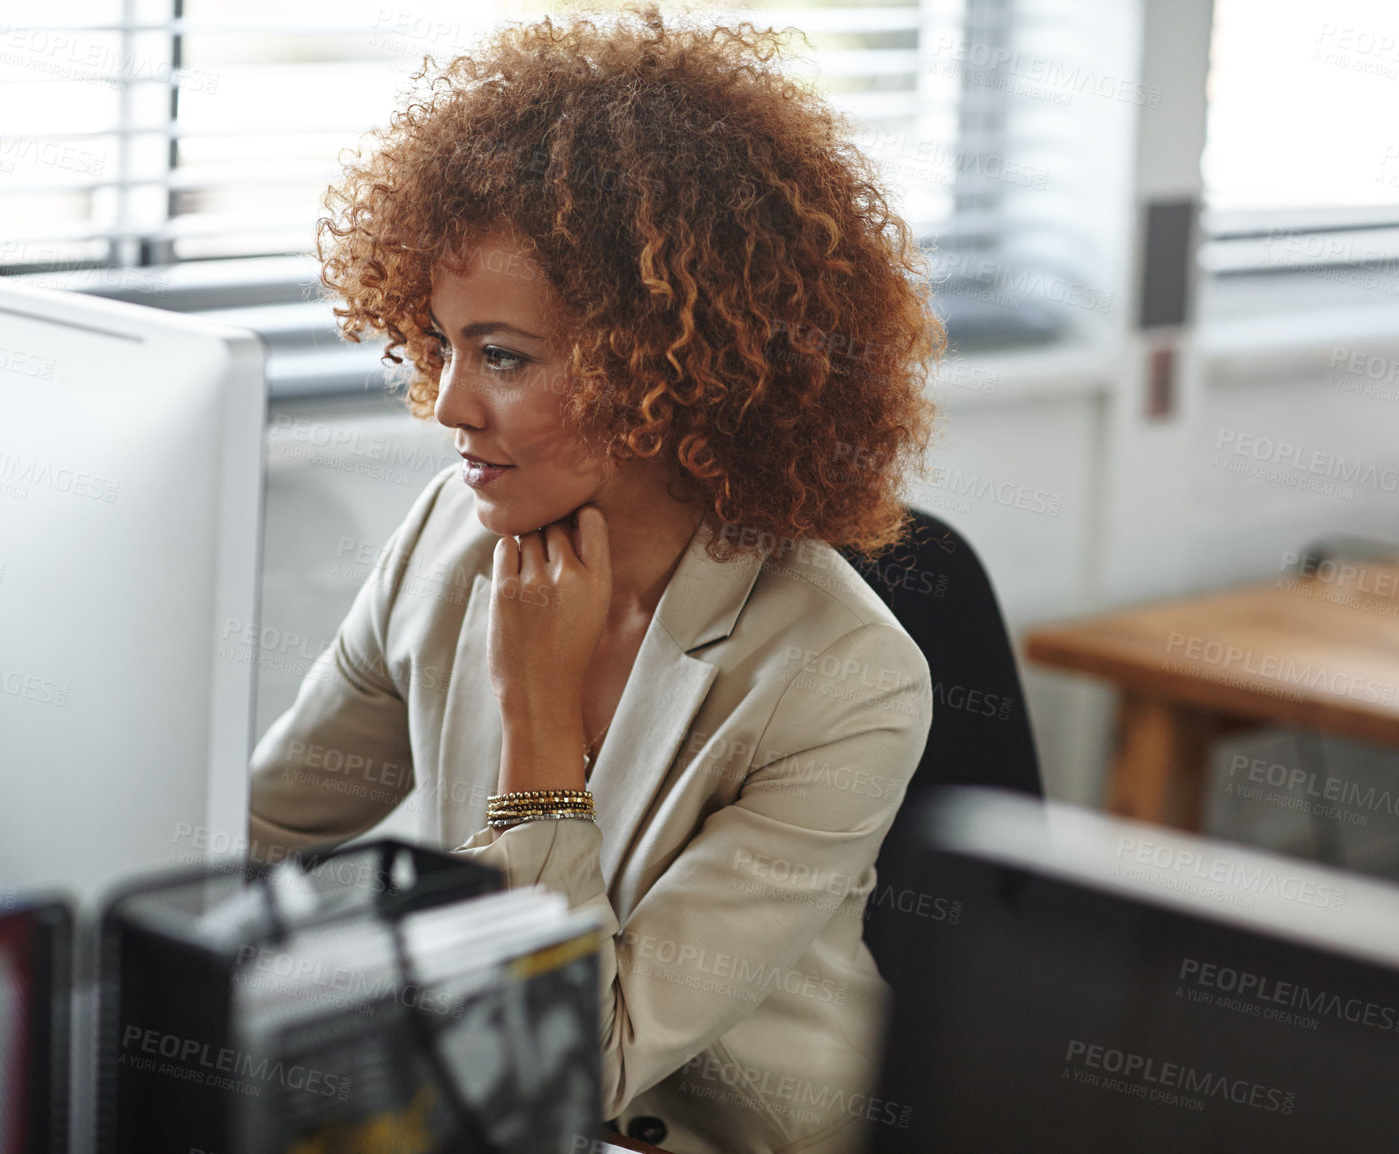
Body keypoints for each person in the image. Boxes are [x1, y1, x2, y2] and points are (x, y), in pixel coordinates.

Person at [246, 5, 945, 1152]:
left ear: (673, 365)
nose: (449, 404)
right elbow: (262, 830)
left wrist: (536, 716)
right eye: (442, 342)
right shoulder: (446, 536)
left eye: (503, 357)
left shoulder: (844, 680)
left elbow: (575, 1055)